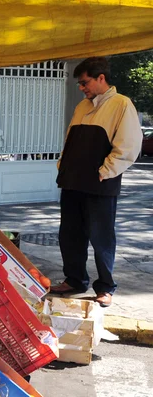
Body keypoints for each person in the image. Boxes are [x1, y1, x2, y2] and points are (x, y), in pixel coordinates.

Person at [51, 57, 143, 307]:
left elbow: (129, 146)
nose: (82, 88)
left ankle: (105, 287)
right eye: (80, 84)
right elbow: (70, 140)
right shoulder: (82, 106)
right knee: (69, 235)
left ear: (101, 78)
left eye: (85, 82)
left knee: (101, 237)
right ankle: (75, 279)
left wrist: (105, 171)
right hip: (71, 182)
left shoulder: (121, 104)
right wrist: (63, 165)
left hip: (100, 185)